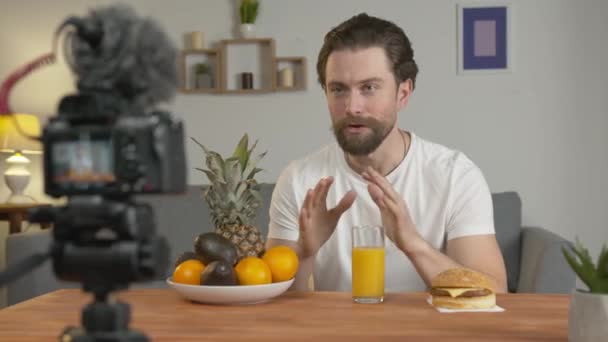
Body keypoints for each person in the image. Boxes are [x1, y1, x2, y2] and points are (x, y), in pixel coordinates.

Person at [265, 13, 508, 293]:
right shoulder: (298, 180)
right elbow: (274, 311)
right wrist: (305, 254)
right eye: (338, 89)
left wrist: (412, 243)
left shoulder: (455, 176)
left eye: (369, 88)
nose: (352, 106)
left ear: (403, 93)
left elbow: (496, 295)